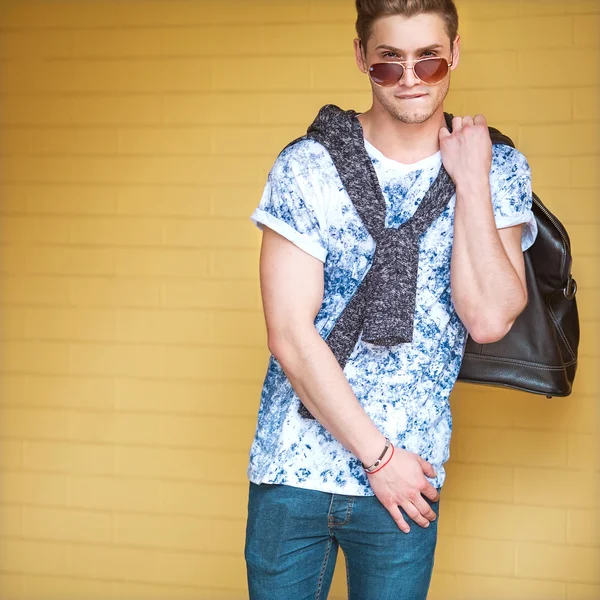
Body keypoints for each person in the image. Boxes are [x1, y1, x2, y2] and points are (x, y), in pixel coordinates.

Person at [244, 1, 537, 598]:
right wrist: (379, 461)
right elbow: (291, 338)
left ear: (454, 53)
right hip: (295, 470)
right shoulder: (309, 166)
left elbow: (487, 316)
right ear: (361, 59)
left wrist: (471, 180)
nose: (409, 79)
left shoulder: (496, 166)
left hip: (411, 484)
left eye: (428, 61)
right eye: (389, 63)